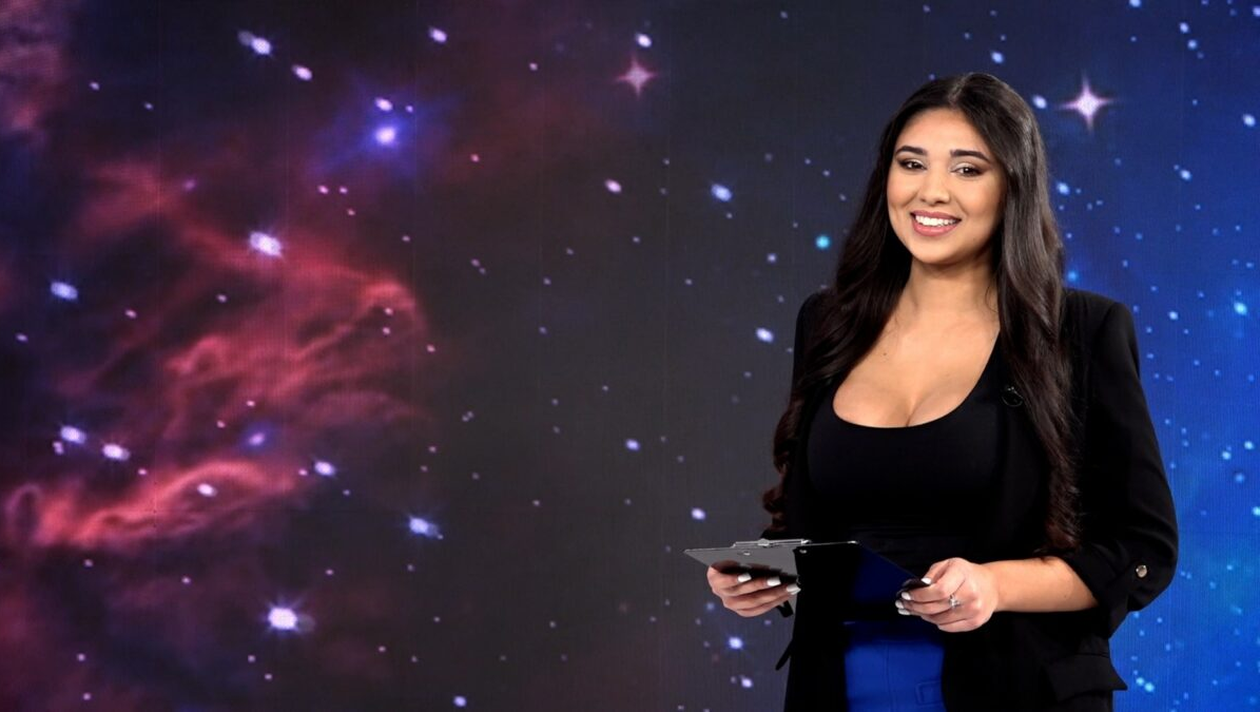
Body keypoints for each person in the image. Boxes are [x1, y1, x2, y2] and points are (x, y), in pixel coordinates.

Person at [704, 73, 1178, 711]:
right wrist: (770, 572)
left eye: (967, 169)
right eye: (911, 163)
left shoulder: (1081, 331)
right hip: (840, 686)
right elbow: (822, 522)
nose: (931, 191)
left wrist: (996, 586)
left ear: (1013, 187)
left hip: (1014, 688)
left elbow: (1143, 550)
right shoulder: (827, 323)